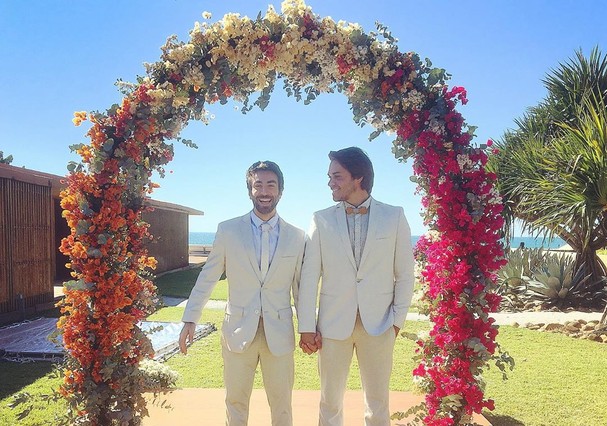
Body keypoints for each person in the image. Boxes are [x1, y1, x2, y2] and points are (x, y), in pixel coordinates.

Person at [179, 160, 306, 426]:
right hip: (237, 331)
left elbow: (301, 289)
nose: (264, 191)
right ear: (250, 190)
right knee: (235, 403)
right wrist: (190, 318)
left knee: (282, 405)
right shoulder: (228, 230)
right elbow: (208, 276)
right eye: (258, 185)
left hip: (279, 333)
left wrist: (308, 328)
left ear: (281, 191)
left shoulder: (297, 236)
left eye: (271, 185)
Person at [297, 147, 415, 426]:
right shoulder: (320, 219)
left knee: (378, 402)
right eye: (330, 176)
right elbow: (309, 276)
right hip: (332, 326)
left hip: (380, 325)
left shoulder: (394, 216)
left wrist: (396, 322)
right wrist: (306, 326)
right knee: (329, 401)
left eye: (337, 176)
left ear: (358, 177)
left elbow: (405, 274)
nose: (330, 182)